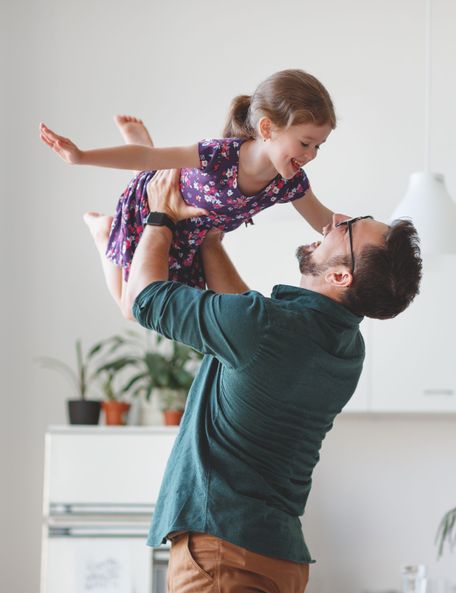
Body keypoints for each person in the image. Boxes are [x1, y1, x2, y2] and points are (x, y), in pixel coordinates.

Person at [123, 168, 422, 593]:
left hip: (222, 554)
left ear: (341, 276)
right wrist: (210, 241)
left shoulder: (264, 328)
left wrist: (161, 216)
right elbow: (247, 324)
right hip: (278, 558)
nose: (336, 220)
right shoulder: (346, 348)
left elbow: (143, 297)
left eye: (349, 228)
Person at [39, 69, 337, 317]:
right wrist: (81, 156)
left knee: (160, 307)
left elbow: (326, 220)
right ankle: (103, 231)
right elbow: (144, 157)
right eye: (305, 143)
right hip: (151, 209)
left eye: (318, 146)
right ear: (267, 128)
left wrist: (379, 235)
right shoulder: (219, 155)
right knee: (132, 311)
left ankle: (146, 154)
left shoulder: (290, 182)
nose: (312, 155)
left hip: (190, 237)